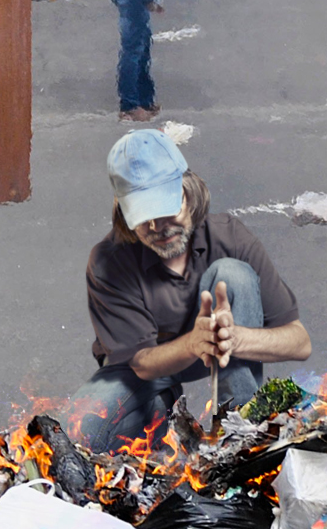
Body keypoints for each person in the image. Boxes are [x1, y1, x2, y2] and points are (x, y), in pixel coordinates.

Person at [68, 129, 312, 452]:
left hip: (228, 358)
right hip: (146, 373)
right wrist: (195, 343)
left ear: (188, 192)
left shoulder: (231, 237)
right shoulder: (108, 262)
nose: (158, 228)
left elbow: (300, 342)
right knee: (80, 432)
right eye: (143, 218)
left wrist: (235, 338)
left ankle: (238, 438)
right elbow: (140, 363)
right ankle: (161, 421)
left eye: (166, 210)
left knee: (232, 274)